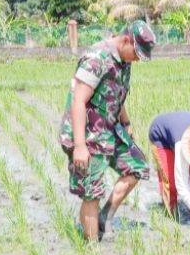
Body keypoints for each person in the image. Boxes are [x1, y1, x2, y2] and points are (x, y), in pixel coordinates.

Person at [58, 21, 156, 241]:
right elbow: (78, 101)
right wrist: (80, 147)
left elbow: (116, 94)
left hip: (109, 128)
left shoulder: (124, 60)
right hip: (87, 134)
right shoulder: (96, 59)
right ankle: (92, 252)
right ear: (125, 40)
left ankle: (105, 217)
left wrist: (127, 123)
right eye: (137, 53)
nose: (138, 59)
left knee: (137, 167)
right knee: (92, 192)